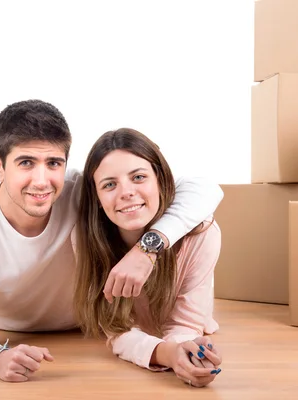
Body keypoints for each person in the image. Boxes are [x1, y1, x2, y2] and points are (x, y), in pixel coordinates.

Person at [0, 99, 224, 383]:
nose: (41, 181)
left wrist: (146, 249)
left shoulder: (81, 191)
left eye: (53, 163)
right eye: (26, 163)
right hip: (11, 328)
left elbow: (202, 190)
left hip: (88, 328)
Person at [73, 127, 223, 388]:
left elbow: (185, 323)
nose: (126, 192)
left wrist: (186, 351)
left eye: (139, 177)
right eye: (109, 184)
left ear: (160, 180)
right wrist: (168, 354)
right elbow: (116, 329)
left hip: (194, 324)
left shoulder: (202, 233)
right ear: (96, 198)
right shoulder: (88, 239)